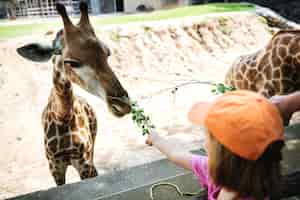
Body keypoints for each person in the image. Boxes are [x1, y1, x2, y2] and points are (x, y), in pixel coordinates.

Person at [146, 90, 285, 200]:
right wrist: (158, 140)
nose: (204, 143)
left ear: (224, 156)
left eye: (208, 139)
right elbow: (176, 153)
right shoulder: (255, 174)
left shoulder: (213, 171)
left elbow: (177, 153)